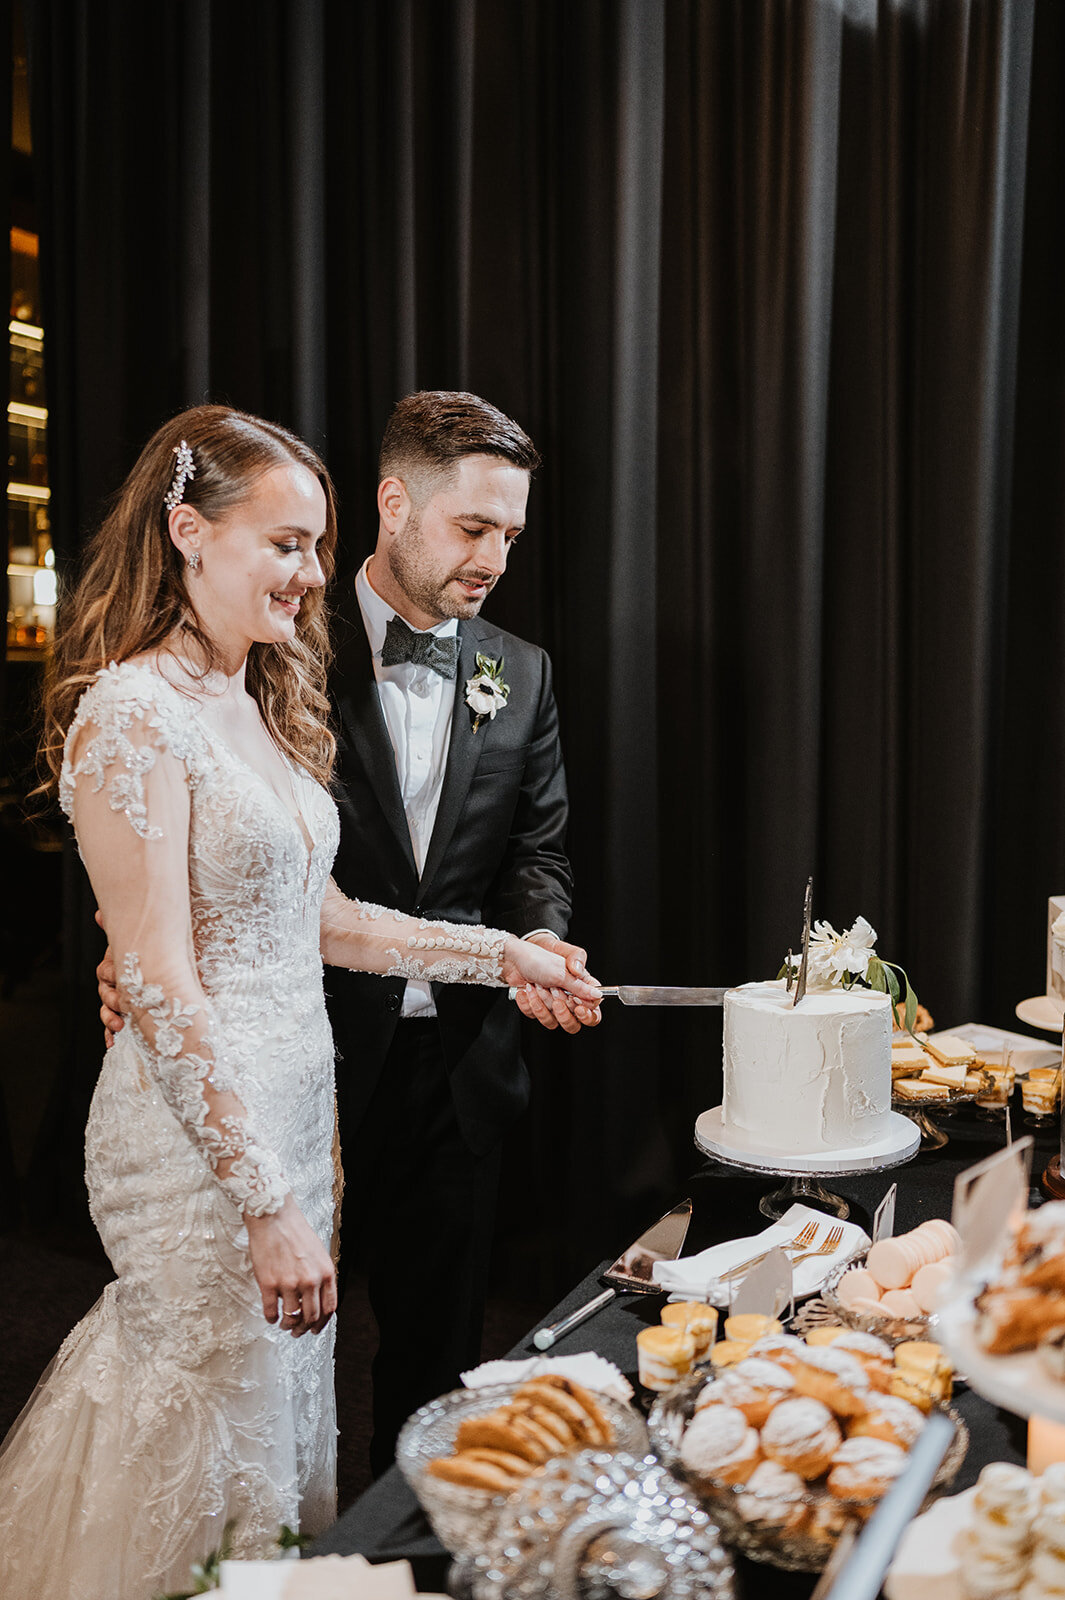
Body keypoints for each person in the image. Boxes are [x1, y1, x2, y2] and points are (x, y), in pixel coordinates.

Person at [0, 404, 600, 1600]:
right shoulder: (131, 712)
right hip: (202, 1149)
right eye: (284, 545)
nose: (310, 576)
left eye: (316, 549)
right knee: (193, 1418)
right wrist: (268, 1203)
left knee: (272, 1436)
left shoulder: (248, 694)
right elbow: (163, 978)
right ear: (188, 531)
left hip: (290, 1118)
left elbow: (324, 919)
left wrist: (509, 958)